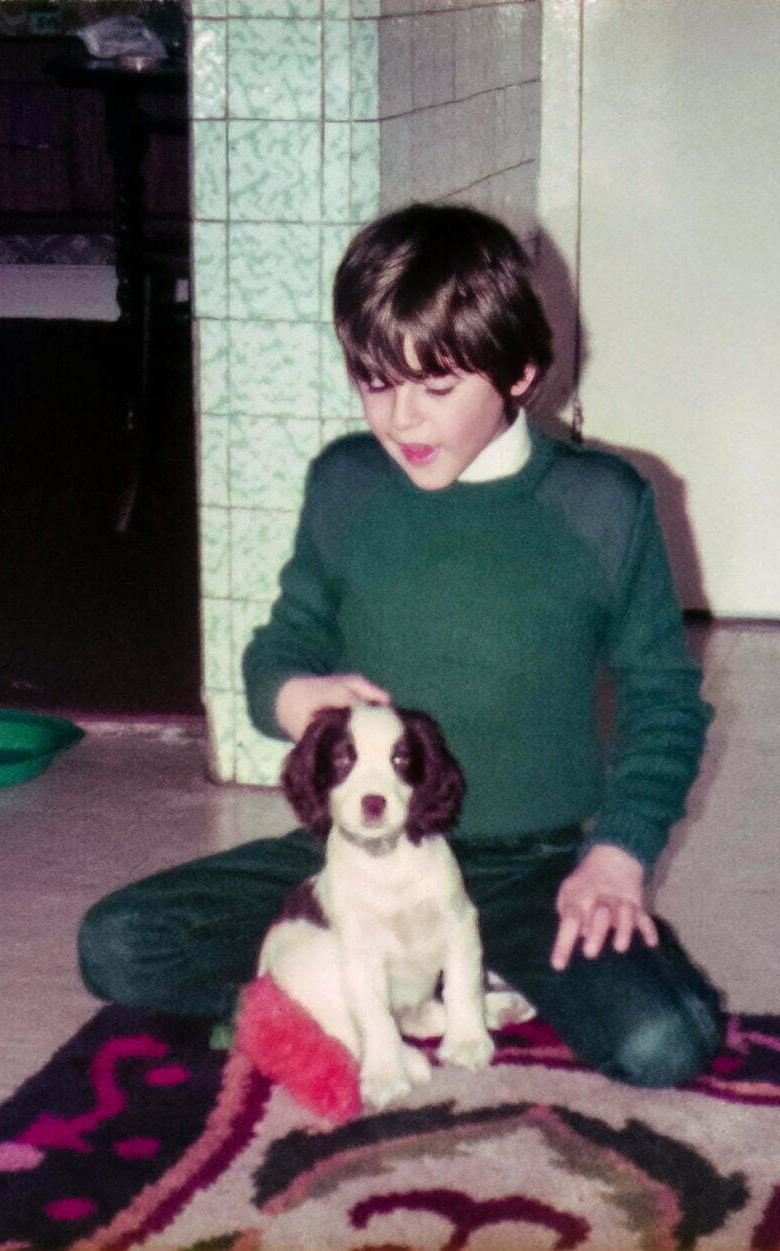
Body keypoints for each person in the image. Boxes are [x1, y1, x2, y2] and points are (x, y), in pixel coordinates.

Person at [79, 203, 723, 1088]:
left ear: (521, 373)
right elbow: (283, 641)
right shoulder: (344, 484)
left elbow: (663, 700)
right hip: (364, 856)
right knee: (118, 944)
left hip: (527, 866)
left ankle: (443, 974)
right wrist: (292, 697)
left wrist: (616, 854)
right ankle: (379, 991)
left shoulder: (601, 504)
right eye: (376, 383)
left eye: (438, 386)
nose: (402, 419)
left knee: (667, 1041)